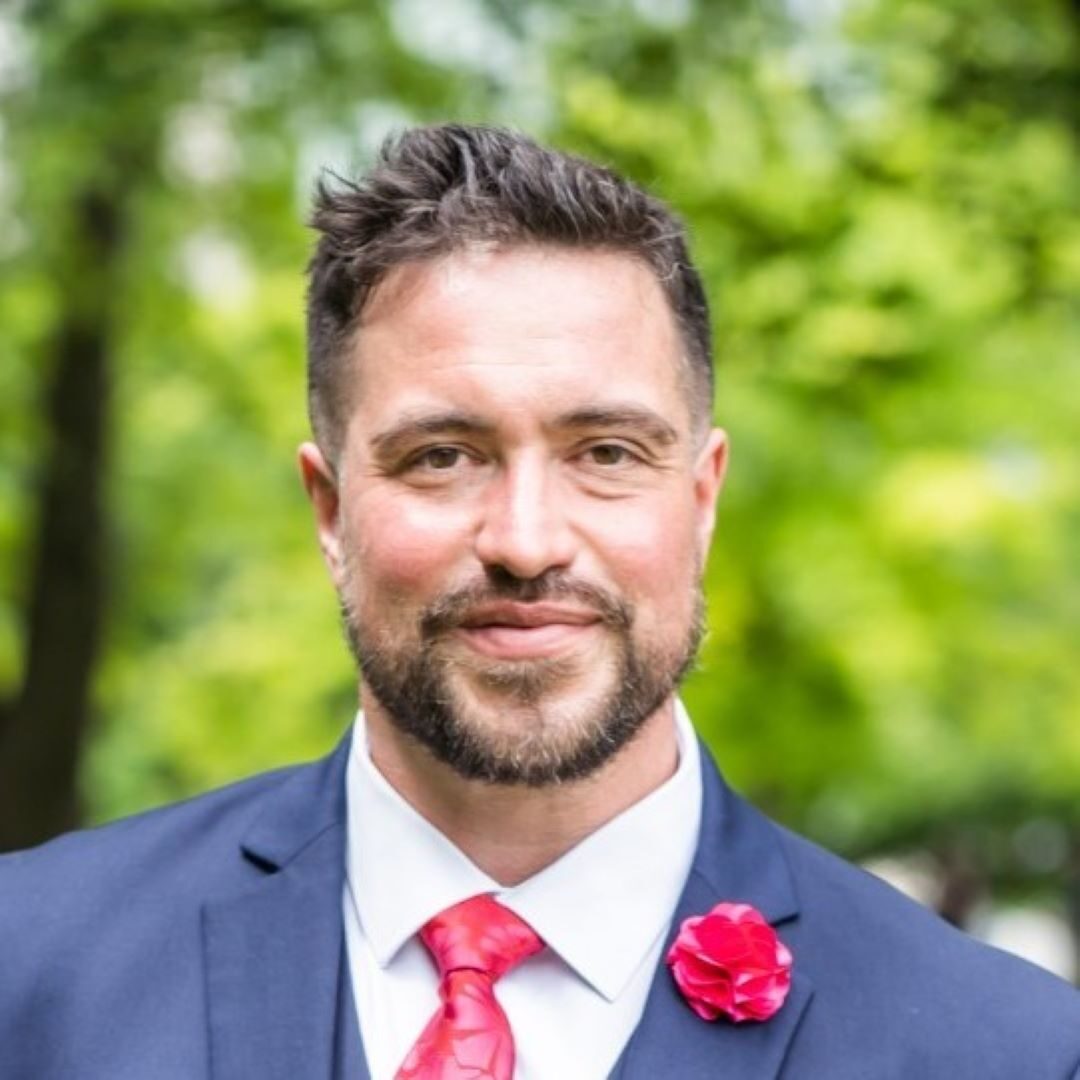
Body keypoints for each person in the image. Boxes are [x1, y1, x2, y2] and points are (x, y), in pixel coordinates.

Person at [1, 124, 1077, 1080]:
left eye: (605, 452)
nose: (526, 541)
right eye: (441, 457)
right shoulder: (28, 966)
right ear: (331, 512)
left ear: (699, 501)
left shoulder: (1008, 1050)